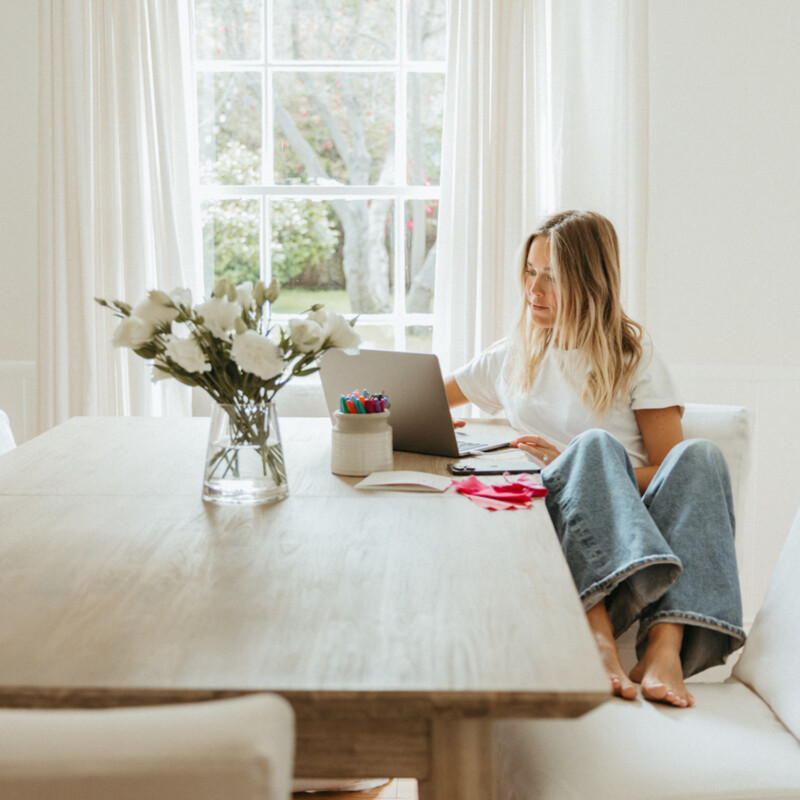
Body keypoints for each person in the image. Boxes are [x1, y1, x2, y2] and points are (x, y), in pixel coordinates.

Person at [444, 210, 745, 708]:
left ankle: (663, 647)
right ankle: (597, 635)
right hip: (551, 518)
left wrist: (581, 463)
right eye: (530, 271)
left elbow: (672, 473)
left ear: (589, 280)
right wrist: (441, 426)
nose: (534, 290)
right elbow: (431, 399)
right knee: (594, 447)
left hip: (634, 529)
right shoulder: (514, 353)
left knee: (699, 456)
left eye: (553, 276)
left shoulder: (631, 352)